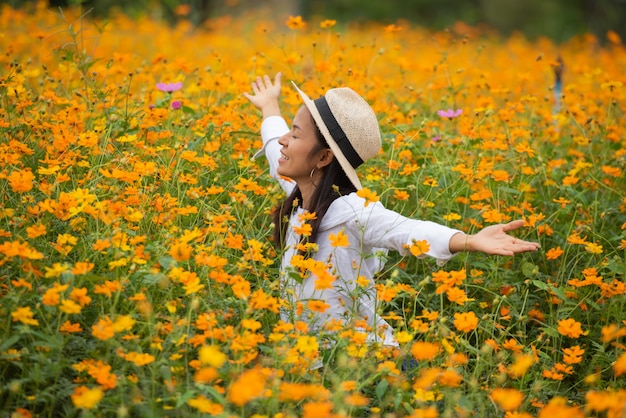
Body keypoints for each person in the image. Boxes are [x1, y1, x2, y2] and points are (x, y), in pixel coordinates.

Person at [243, 73, 540, 357]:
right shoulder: (300, 193)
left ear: (323, 157)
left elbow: (407, 230)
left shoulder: (353, 213)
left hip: (362, 357)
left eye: (294, 134)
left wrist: (469, 240)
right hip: (314, 357)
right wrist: (270, 106)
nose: (283, 140)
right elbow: (274, 149)